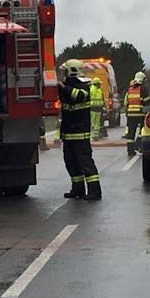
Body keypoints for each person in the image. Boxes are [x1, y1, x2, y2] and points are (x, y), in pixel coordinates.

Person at [58, 59, 101, 201]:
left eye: (65, 71)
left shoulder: (84, 86)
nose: (63, 73)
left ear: (72, 71)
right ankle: (78, 189)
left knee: (85, 163)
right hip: (68, 134)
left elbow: (80, 96)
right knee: (70, 162)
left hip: (80, 134)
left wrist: (62, 87)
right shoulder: (67, 86)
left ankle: (95, 191)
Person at [124, 70, 150, 157]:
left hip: (131, 114)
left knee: (130, 133)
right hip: (140, 114)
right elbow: (147, 102)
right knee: (142, 131)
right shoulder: (143, 89)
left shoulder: (130, 89)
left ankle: (130, 151)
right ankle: (138, 145)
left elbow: (127, 102)